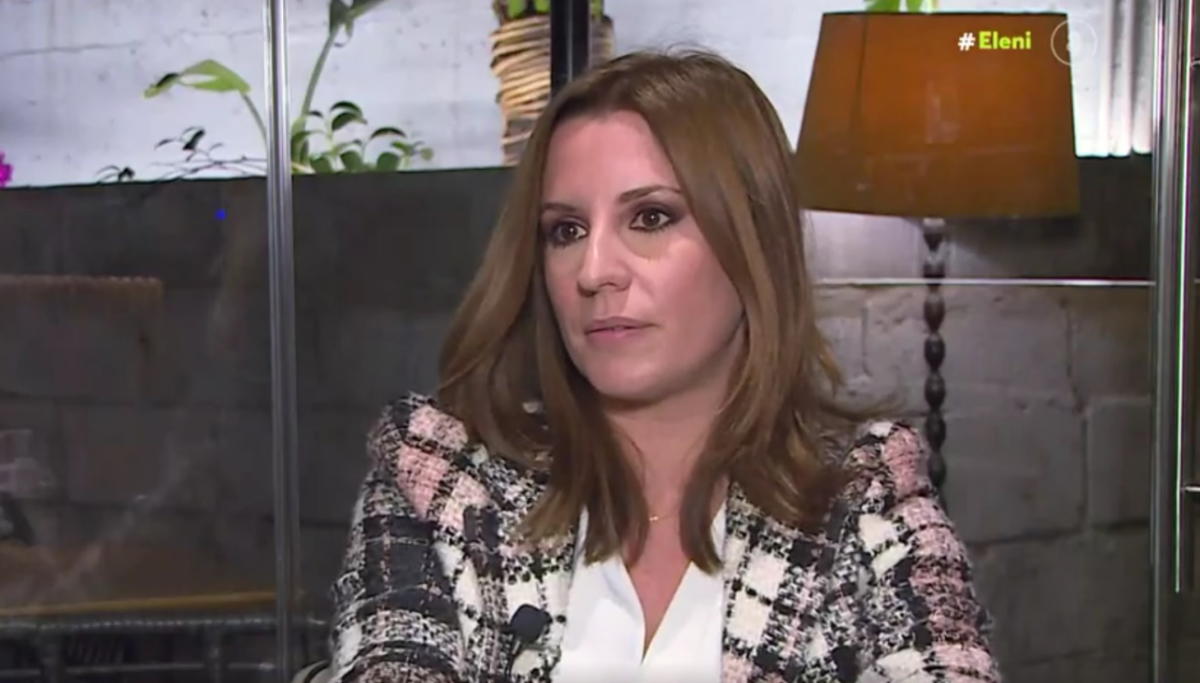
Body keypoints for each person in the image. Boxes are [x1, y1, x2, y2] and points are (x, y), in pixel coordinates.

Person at [328, 49, 999, 683]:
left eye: (650, 218)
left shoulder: (864, 495)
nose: (594, 271)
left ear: (753, 244)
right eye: (566, 230)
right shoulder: (441, 478)